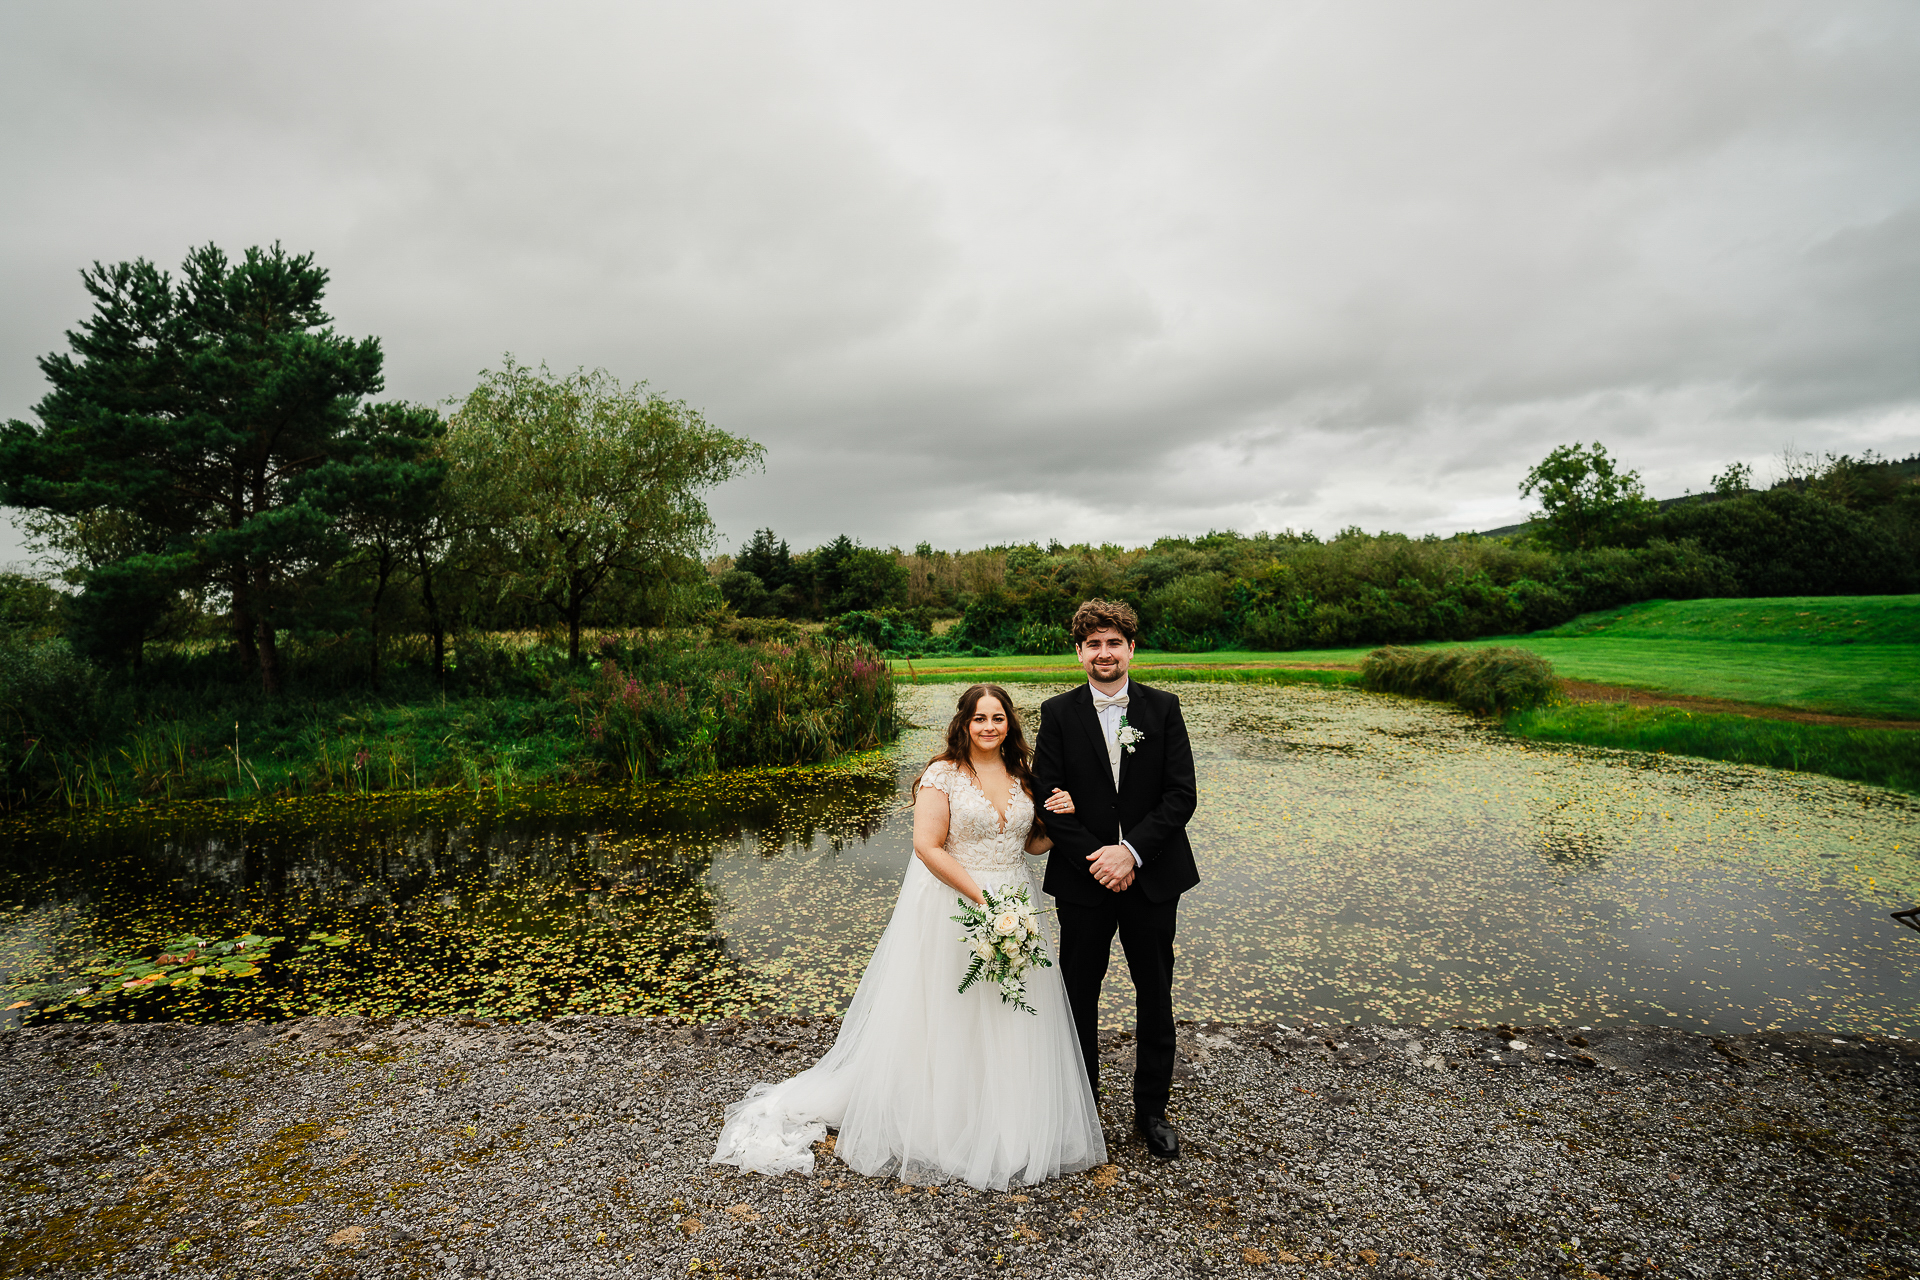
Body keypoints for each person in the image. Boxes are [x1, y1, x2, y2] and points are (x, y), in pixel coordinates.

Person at [711, 684, 1107, 1189]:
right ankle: (948, 1119)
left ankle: (1007, 1114)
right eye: (979, 718)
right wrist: (985, 903)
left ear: (1010, 724)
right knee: (953, 1011)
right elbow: (928, 847)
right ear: (963, 723)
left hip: (1017, 904)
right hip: (961, 905)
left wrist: (1061, 820)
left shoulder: (1023, 776)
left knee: (1013, 1008)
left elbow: (1028, 844)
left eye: (998, 718)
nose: (989, 727)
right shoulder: (941, 775)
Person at [1032, 599, 1199, 1161]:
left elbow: (1181, 796)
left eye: (1114, 642)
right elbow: (1049, 802)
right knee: (1079, 992)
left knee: (1155, 993)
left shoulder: (1164, 708)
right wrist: (1101, 858)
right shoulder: (1056, 714)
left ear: (1132, 648)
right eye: (1093, 644)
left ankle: (1152, 1110)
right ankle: (1084, 1104)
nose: (1104, 653)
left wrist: (1130, 853)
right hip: (1084, 882)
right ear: (1079, 652)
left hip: (1152, 878)